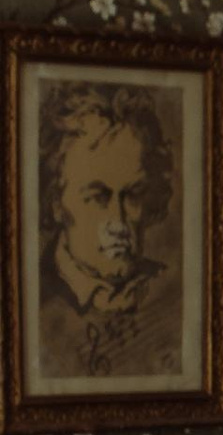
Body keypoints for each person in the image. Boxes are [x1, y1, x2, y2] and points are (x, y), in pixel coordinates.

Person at [35, 76, 181, 385]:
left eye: (133, 194)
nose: (118, 220)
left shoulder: (172, 292)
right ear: (56, 203)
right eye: (98, 196)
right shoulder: (33, 308)